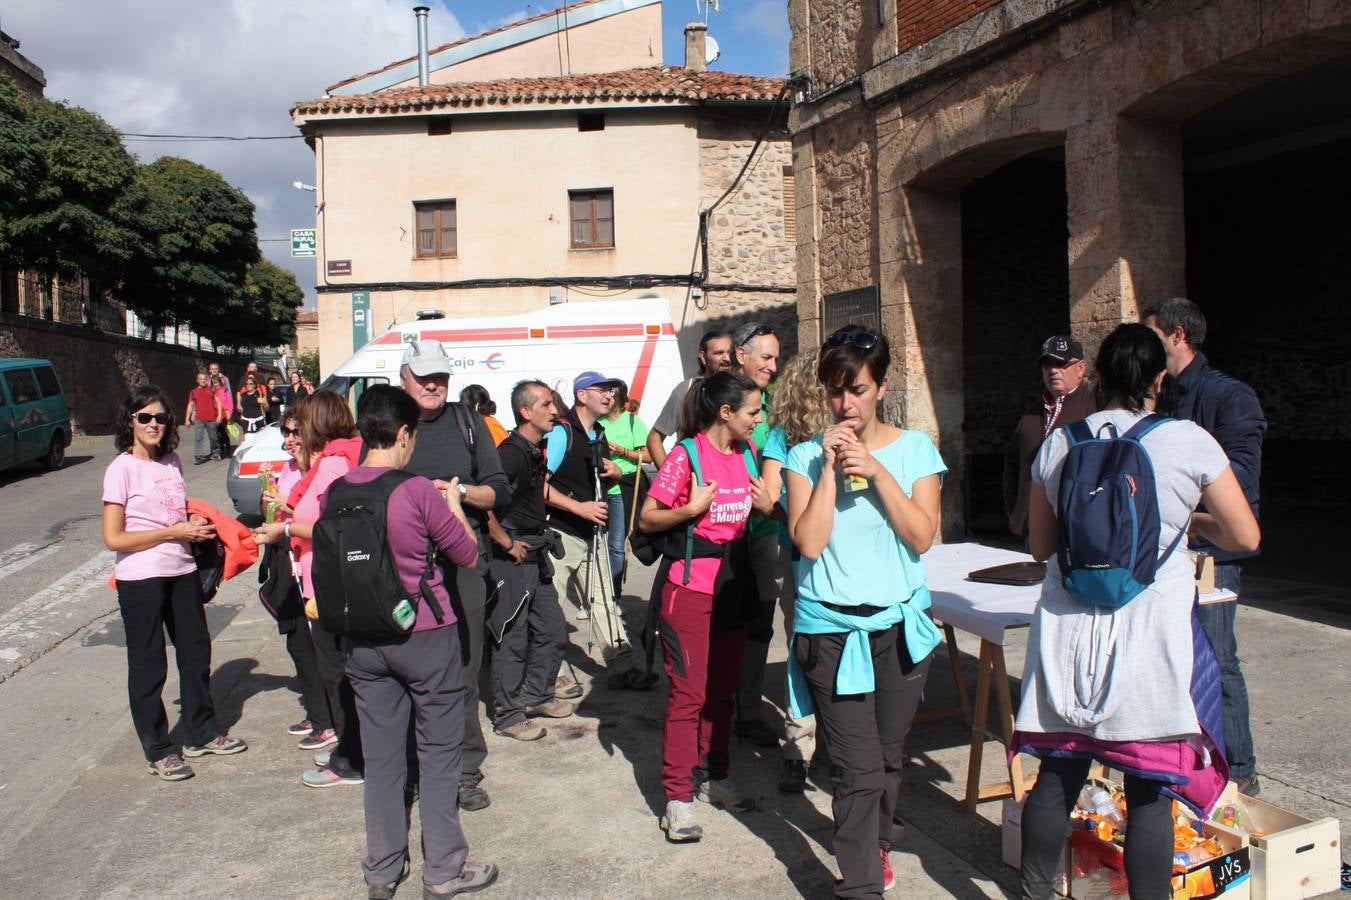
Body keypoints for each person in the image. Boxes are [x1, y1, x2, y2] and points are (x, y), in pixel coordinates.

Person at [1014, 323, 1261, 900]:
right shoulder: (1190, 441)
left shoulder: (1060, 442)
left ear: (1097, 376)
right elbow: (1244, 534)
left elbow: (1041, 548)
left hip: (1068, 632)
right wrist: (1185, 521)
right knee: (1151, 787)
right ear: (1158, 378)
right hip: (1150, 635)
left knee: (1057, 774)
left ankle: (1032, 892)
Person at [784, 325, 945, 897]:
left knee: (889, 756)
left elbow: (923, 536)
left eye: (856, 389)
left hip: (899, 630)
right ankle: (860, 887)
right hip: (831, 632)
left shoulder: (915, 450)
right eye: (834, 390)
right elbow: (808, 542)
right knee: (857, 769)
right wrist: (829, 469)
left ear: (880, 387)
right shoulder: (803, 457)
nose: (844, 403)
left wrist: (877, 473)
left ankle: (877, 844)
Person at [323, 385, 498, 900]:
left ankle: (382, 870)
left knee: (382, 761)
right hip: (425, 636)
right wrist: (454, 503)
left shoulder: (338, 490)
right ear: (404, 433)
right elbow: (467, 555)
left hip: (363, 641)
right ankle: (443, 869)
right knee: (439, 755)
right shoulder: (416, 489)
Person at [640, 371, 775, 842]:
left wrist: (769, 508)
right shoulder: (687, 454)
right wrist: (690, 509)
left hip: (735, 585)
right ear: (726, 413)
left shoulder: (749, 453)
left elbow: (761, 508)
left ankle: (716, 777)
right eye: (753, 412)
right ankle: (677, 799)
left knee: (722, 695)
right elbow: (649, 516)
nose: (759, 420)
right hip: (690, 590)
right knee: (688, 696)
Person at [1143, 297, 1267, 796]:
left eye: (1150, 334)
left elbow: (1242, 482)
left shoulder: (1230, 397)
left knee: (1218, 658)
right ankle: (1185, 762)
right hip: (1168, 549)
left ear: (1177, 335)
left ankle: (1240, 772)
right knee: (1170, 656)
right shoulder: (1162, 396)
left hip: (1213, 551)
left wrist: (1177, 505)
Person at [101, 384, 247, 781]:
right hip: (141, 577)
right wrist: (172, 532)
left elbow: (171, 515)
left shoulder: (172, 463)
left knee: (196, 653)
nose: (153, 424)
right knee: (149, 664)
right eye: (144, 417)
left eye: (160, 418)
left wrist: (191, 525)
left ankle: (201, 732)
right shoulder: (121, 469)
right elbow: (114, 538)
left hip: (181, 569)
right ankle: (159, 748)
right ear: (129, 421)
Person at [400, 338, 511, 812]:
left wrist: (459, 491)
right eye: (424, 376)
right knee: (408, 668)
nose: (433, 384)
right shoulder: (390, 426)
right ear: (403, 378)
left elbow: (498, 491)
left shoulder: (468, 422)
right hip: (404, 567)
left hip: (463, 563)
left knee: (464, 666)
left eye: (441, 376)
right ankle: (417, 768)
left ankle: (466, 769)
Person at [254, 390, 365, 788]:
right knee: (340, 670)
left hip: (329, 582)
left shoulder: (335, 462)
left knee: (337, 672)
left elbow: (327, 526)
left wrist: (282, 528)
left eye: (302, 421)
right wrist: (288, 508)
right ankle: (349, 749)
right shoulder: (342, 455)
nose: (296, 431)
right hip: (328, 578)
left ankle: (352, 760)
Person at [545, 370, 654, 691]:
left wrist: (617, 470)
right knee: (549, 609)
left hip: (592, 533)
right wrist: (578, 507)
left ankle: (622, 669)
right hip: (560, 533)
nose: (609, 395)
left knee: (605, 601)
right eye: (601, 390)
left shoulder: (599, 434)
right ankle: (548, 676)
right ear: (581, 395)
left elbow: (601, 475)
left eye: (610, 390)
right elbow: (539, 485)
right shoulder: (561, 433)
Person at [758, 349, 832, 794]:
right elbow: (767, 494)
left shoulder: (852, 431)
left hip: (829, 556)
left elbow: (767, 498)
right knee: (809, 651)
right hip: (803, 557)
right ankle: (801, 745)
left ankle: (814, 744)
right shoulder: (784, 436)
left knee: (816, 653)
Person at [483, 380, 574, 741]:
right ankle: (507, 716)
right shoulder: (510, 453)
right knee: (513, 638)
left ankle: (535, 695)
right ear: (526, 412)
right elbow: (485, 502)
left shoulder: (535, 449)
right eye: (547, 404)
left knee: (552, 629)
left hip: (535, 553)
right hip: (514, 556)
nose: (555, 410)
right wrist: (506, 542)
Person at [260, 404, 336, 750]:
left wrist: (286, 515)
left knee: (314, 646)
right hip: (286, 557)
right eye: (286, 433)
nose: (290, 439)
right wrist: (273, 504)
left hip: (307, 562)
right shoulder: (290, 468)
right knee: (297, 641)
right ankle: (317, 710)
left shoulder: (324, 467)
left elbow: (319, 521)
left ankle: (328, 721)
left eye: (296, 432)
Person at [727, 321, 788, 751]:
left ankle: (747, 713)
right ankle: (721, 708)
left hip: (767, 529)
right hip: (723, 531)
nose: (773, 364)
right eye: (765, 356)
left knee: (761, 623)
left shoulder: (777, 404)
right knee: (726, 623)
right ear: (740, 354)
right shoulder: (714, 400)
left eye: (775, 357)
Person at [1002, 335, 1099, 541]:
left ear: (1080, 368)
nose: (1053, 370)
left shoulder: (1093, 410)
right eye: (1047, 364)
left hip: (1073, 530)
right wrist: (1016, 510)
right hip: (1031, 529)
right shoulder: (1032, 412)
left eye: (1061, 364)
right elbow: (1012, 462)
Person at [646, 330, 733, 467]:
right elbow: (654, 438)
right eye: (719, 353)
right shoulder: (686, 390)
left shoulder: (740, 390)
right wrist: (669, 478)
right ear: (703, 357)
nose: (727, 358)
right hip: (693, 479)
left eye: (729, 352)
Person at [603, 381, 649, 596]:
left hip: (623, 488)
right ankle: (598, 593)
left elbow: (648, 456)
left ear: (619, 398)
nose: (606, 399)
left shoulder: (633, 422)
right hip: (599, 488)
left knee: (615, 544)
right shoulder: (598, 422)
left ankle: (614, 595)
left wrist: (622, 451)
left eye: (609, 395)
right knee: (597, 545)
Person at [185, 371, 221, 464]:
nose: (203, 381)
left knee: (213, 437)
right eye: (201, 379)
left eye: (205, 379)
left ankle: (215, 453)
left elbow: (218, 401)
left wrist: (220, 415)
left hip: (211, 418)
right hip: (199, 419)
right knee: (198, 438)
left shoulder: (212, 390)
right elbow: (190, 405)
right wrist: (187, 419)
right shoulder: (194, 392)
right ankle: (199, 456)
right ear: (197, 380)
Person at [211, 373, 235, 457]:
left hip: (224, 415)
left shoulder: (224, 390)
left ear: (220, 383)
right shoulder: (213, 392)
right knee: (217, 434)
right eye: (214, 383)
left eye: (216, 382)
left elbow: (230, 402)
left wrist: (229, 412)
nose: (215, 384)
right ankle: (221, 449)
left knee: (224, 433)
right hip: (215, 414)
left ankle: (228, 450)